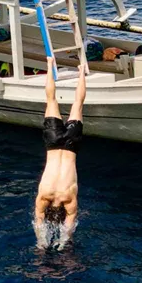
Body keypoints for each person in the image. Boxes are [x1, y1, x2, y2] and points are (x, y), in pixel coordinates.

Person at [34, 54, 87, 249]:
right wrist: (40, 241)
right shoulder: (44, 196)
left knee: (78, 104)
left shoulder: (68, 198)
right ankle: (49, 64)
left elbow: (69, 224)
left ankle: (81, 71)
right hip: (53, 143)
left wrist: (62, 242)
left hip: (71, 145)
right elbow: (39, 220)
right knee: (51, 100)